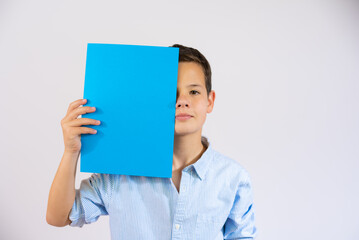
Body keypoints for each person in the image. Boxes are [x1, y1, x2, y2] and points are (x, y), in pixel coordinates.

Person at [46, 44, 257, 239]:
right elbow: (59, 217)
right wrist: (70, 151)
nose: (182, 101)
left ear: (209, 101)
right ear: (152, 99)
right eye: (170, 93)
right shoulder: (119, 173)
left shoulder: (232, 177)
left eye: (193, 92)